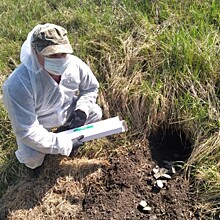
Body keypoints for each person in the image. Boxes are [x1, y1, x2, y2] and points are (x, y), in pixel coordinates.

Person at [2, 23, 102, 169]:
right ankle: (48, 146)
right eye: (52, 55)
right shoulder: (18, 84)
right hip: (39, 123)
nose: (60, 59)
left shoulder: (75, 65)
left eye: (63, 54)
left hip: (67, 110)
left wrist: (82, 110)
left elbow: (91, 88)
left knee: (95, 113)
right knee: (32, 158)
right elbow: (27, 130)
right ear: (35, 52)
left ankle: (64, 130)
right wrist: (62, 145)